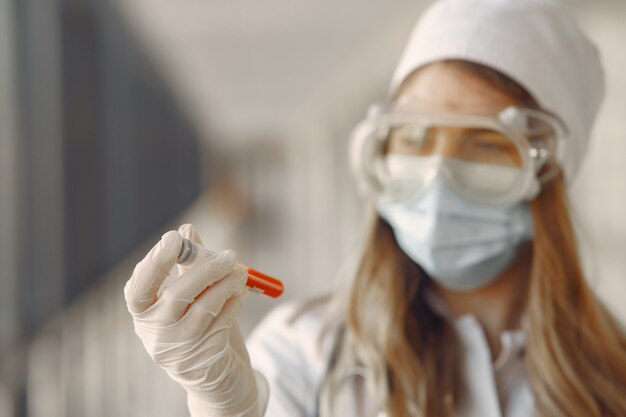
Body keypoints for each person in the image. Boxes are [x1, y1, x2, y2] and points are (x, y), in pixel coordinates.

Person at [123, 0, 626, 416]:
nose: (436, 175)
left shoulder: (614, 373)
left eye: (486, 144)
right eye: (412, 135)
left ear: (549, 174)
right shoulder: (304, 355)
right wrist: (227, 409)